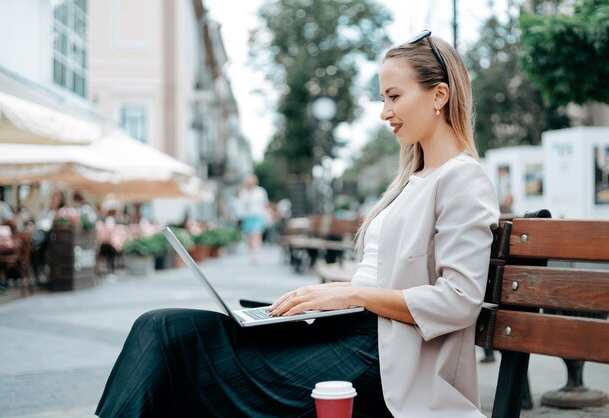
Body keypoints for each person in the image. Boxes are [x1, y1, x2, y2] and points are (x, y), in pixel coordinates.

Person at [95, 30, 499, 417]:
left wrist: (350, 294)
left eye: (394, 96)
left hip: (385, 361)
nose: (384, 112)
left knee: (179, 350)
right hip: (350, 336)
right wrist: (333, 300)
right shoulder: (411, 182)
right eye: (382, 98)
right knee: (164, 327)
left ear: (439, 96)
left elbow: (459, 300)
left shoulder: (462, 178)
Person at [31, 190, 66, 283]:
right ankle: (39, 273)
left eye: (54, 197)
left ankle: (41, 272)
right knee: (35, 248)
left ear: (61, 199)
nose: (52, 199)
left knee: (38, 246)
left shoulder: (63, 211)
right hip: (45, 236)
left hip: (56, 239)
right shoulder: (47, 210)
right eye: (52, 197)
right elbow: (39, 221)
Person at [237, 175, 269, 264]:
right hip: (247, 217)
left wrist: (266, 216)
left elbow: (265, 204)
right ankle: (252, 253)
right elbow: (240, 205)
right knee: (250, 237)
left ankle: (255, 255)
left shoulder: (260, 191)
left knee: (256, 235)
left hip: (258, 216)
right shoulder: (243, 192)